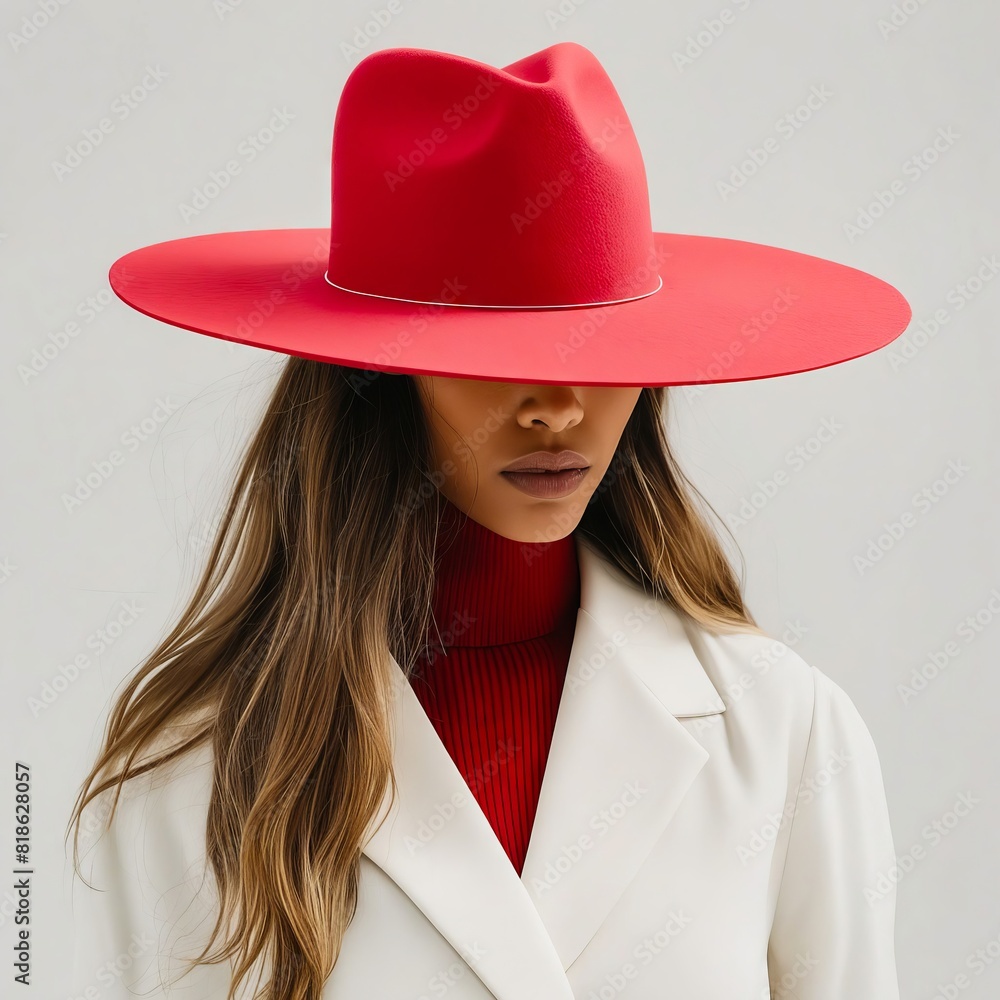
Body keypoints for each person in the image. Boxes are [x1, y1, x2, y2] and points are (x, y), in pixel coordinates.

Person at [64, 40, 910, 1000]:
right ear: (376, 375)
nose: (556, 404)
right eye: (489, 346)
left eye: (595, 344)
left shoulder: (784, 730)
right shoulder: (190, 773)